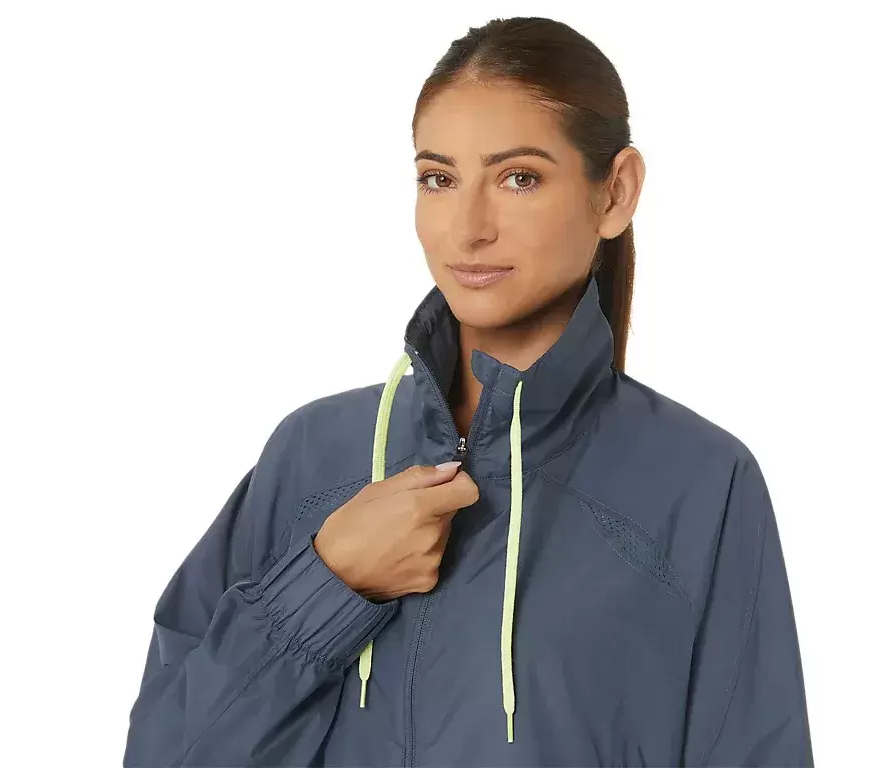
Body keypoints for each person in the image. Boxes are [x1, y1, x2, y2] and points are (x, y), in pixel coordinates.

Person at [123, 16, 813, 768]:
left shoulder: (701, 481)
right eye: (439, 179)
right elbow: (162, 754)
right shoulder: (310, 453)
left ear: (615, 192)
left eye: (519, 178)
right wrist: (325, 583)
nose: (468, 228)